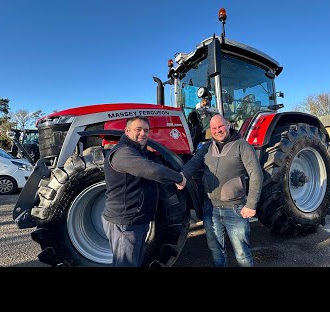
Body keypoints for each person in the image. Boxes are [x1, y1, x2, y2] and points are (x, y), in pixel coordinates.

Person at [102, 116, 187, 267]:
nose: (143, 133)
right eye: (138, 129)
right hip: (125, 223)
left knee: (134, 262)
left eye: (146, 130)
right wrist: (178, 178)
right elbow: (151, 170)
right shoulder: (123, 153)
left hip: (136, 221)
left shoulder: (139, 151)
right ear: (127, 131)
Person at [180, 114, 263, 267]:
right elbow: (192, 164)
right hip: (210, 209)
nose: (218, 130)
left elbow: (256, 174)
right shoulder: (206, 148)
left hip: (235, 209)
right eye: (214, 128)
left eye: (220, 126)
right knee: (217, 251)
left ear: (228, 125)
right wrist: (183, 176)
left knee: (242, 254)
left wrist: (251, 204)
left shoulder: (242, 145)